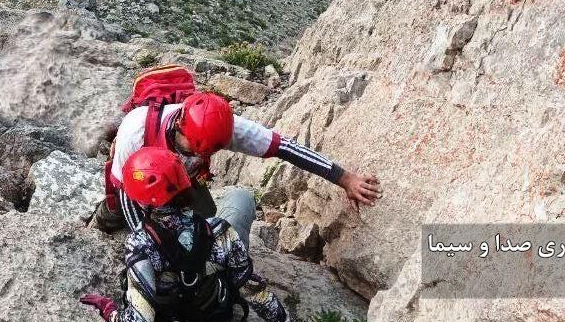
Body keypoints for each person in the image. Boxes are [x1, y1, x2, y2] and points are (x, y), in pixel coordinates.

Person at [80, 147, 343, 322]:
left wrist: (110, 310)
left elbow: (140, 320)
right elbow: (255, 291)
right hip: (213, 309)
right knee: (242, 198)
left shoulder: (140, 243)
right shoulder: (218, 231)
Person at [93, 91, 382, 231]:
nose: (199, 158)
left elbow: (287, 149)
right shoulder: (135, 132)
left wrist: (344, 179)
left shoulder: (224, 127)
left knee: (202, 223)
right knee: (114, 216)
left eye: (206, 154)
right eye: (194, 151)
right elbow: (126, 194)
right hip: (136, 183)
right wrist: (145, 239)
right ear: (179, 125)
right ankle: (100, 222)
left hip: (180, 185)